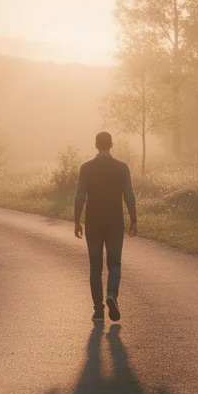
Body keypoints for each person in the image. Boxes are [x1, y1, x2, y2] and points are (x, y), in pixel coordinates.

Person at [73, 131, 137, 323]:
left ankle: (99, 311)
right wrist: (134, 220)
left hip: (93, 222)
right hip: (115, 222)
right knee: (115, 264)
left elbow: (79, 197)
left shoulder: (86, 168)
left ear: (96, 145)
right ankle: (112, 295)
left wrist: (77, 221)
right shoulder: (122, 168)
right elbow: (129, 196)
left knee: (95, 267)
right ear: (111, 145)